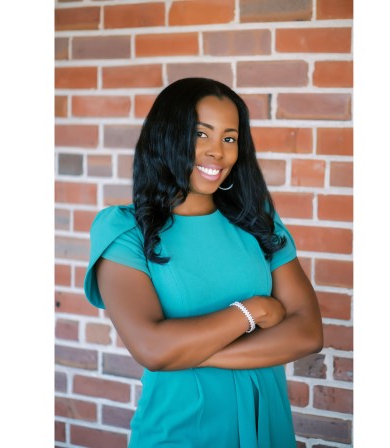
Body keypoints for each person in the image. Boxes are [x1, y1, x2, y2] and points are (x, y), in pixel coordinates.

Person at [83, 77, 324, 447]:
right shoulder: (126, 229)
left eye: (229, 138)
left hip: (268, 428)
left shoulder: (256, 220)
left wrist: (192, 352)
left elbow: (307, 333)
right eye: (201, 135)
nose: (218, 152)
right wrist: (253, 310)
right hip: (183, 431)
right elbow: (153, 349)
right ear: (168, 136)